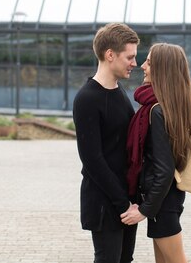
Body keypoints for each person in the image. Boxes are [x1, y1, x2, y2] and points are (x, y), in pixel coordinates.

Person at [121, 43, 191, 263]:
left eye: (150, 62)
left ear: (163, 68)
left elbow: (164, 170)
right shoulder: (173, 105)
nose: (143, 66)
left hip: (163, 203)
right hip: (167, 199)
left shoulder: (157, 110)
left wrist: (145, 210)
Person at [73, 23, 140, 263]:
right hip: (105, 201)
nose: (135, 63)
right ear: (110, 55)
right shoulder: (87, 98)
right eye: (129, 57)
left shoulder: (119, 91)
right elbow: (92, 159)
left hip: (125, 199)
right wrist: (123, 203)